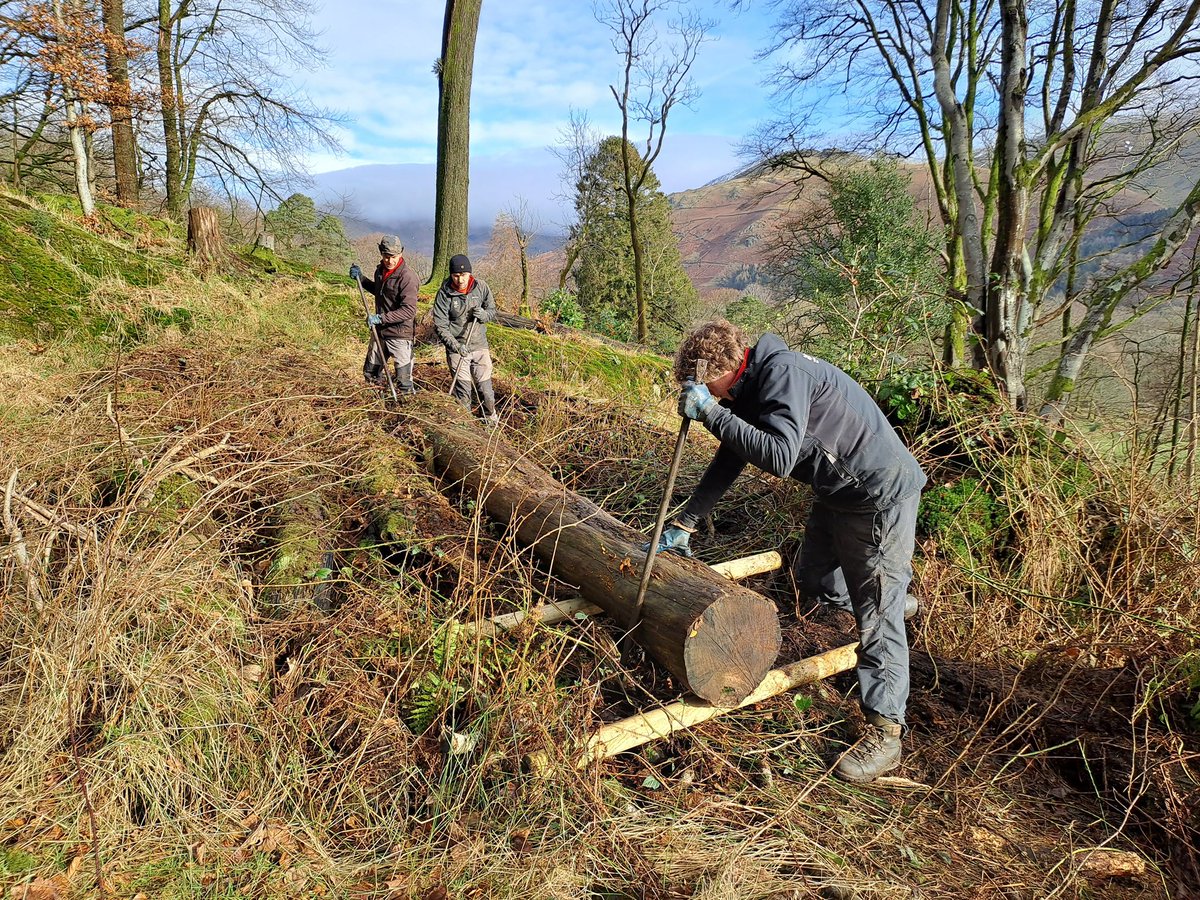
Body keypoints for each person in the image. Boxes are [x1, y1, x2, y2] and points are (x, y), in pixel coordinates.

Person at [660, 319, 926, 782]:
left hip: (878, 496)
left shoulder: (784, 374)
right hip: (841, 493)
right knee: (816, 579)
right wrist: (686, 519)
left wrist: (711, 413)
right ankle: (891, 602)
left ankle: (887, 735)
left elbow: (780, 457)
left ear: (726, 367)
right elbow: (734, 451)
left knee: (876, 616)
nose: (714, 397)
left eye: (710, 387)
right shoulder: (750, 385)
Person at [432, 254, 500, 425]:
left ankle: (490, 422)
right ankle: (466, 426)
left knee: (486, 392)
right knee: (463, 392)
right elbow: (440, 325)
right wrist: (455, 346)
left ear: (470, 273)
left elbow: (492, 309)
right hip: (457, 348)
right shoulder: (444, 294)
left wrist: (484, 315)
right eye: (456, 275)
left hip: (479, 346)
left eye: (463, 275)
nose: (460, 279)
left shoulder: (481, 287)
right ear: (451, 275)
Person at [351, 235, 419, 394]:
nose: (390, 261)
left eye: (394, 257)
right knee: (371, 373)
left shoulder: (407, 277)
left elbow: (409, 310)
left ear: (401, 253)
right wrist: (361, 279)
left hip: (400, 334)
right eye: (386, 256)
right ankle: (379, 408)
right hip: (380, 333)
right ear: (381, 253)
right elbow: (380, 292)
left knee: (404, 381)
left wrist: (380, 318)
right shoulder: (380, 272)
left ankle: (406, 412)